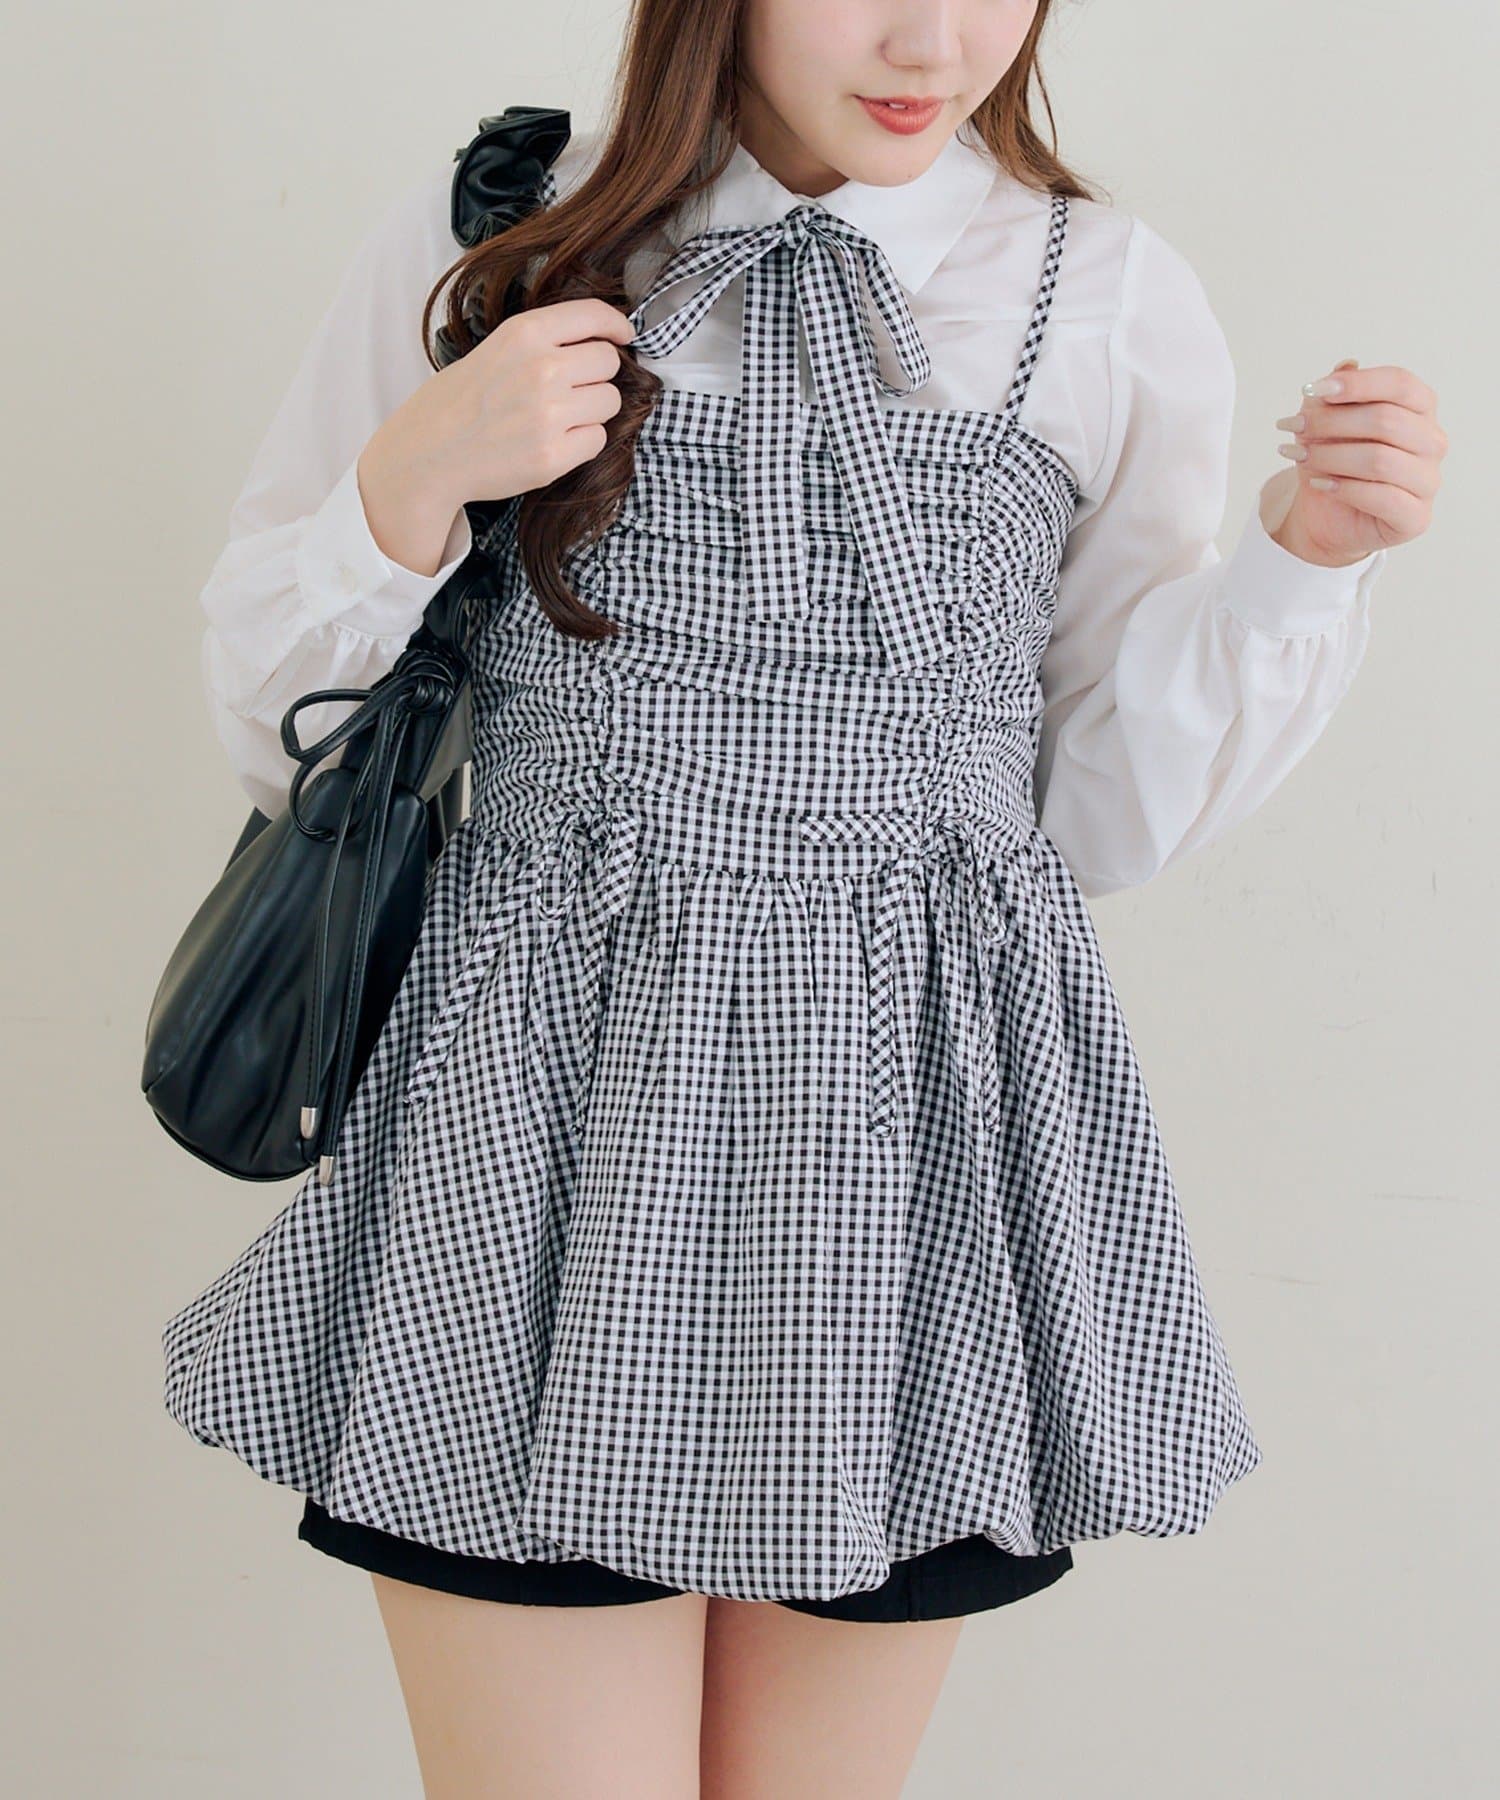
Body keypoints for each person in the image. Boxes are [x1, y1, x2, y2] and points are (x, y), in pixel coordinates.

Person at [159, 2, 1446, 1793]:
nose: (934, 39)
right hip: (531, 1139)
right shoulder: (502, 230)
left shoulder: (1103, 294)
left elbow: (1087, 819)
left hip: (911, 1147)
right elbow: (272, 734)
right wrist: (420, 468)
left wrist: (1304, 566)